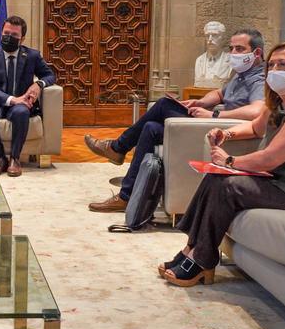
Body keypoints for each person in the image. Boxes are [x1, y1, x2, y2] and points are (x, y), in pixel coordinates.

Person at [161, 40, 285, 286]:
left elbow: (271, 157)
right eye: (271, 65)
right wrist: (226, 134)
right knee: (215, 176)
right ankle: (191, 250)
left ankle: (202, 260)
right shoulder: (280, 103)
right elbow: (255, 127)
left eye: (283, 64)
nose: (274, 71)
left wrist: (230, 160)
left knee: (228, 185)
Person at [86, 28, 269, 212]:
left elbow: (257, 110)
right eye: (231, 48)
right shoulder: (240, 75)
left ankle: (117, 147)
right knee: (150, 127)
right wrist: (202, 101)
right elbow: (220, 93)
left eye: (239, 49)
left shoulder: (259, 79)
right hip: (209, 124)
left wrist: (213, 115)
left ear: (257, 53)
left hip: (219, 131)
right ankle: (127, 196)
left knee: (164, 104)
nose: (233, 54)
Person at [0, 15, 57, 177]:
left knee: (21, 111)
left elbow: (50, 76)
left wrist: (38, 84)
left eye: (14, 35)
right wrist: (12, 99)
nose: (8, 38)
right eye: (6, 33)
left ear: (22, 39)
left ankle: (15, 159)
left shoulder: (32, 56)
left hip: (20, 104)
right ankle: (0, 158)